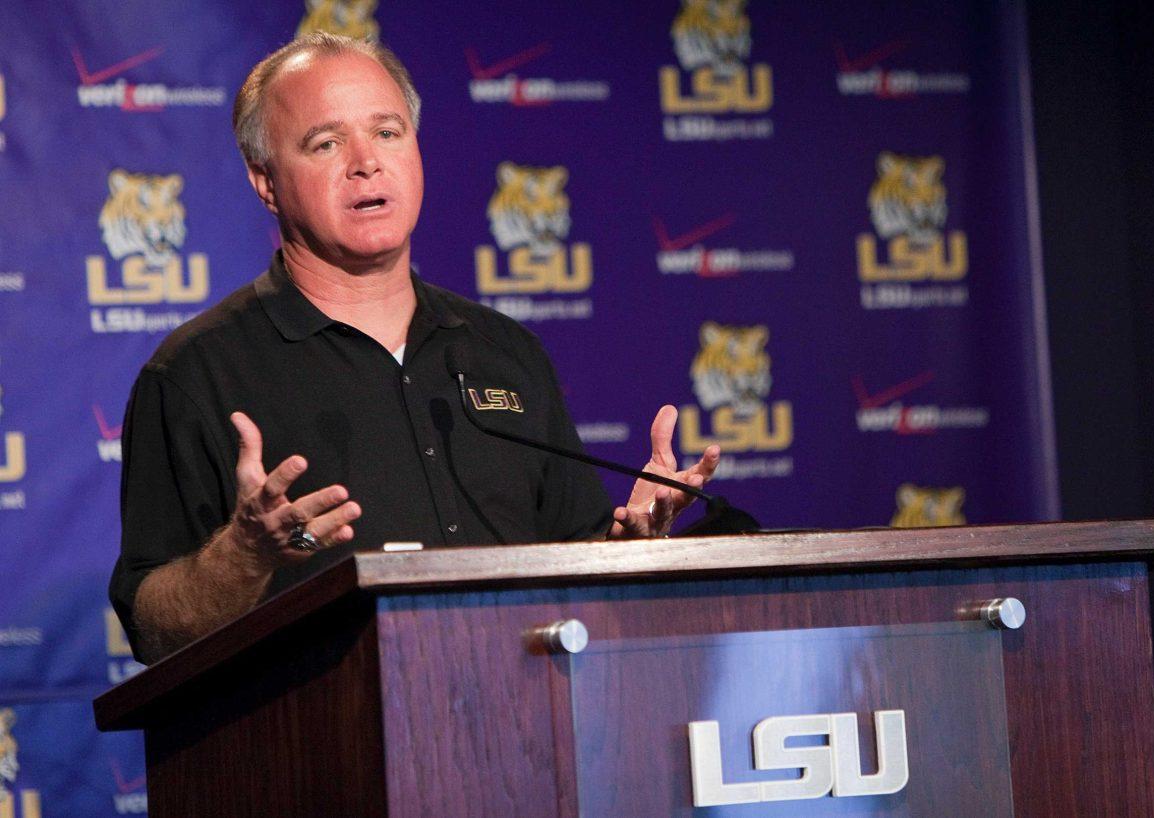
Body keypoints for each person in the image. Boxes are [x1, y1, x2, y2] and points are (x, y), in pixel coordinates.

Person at [109, 33, 720, 664]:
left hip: (527, 733)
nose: (366, 162)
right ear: (266, 182)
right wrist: (244, 554)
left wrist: (633, 545)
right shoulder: (195, 374)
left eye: (388, 132)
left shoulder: (504, 351)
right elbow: (154, 632)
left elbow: (572, 571)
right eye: (326, 143)